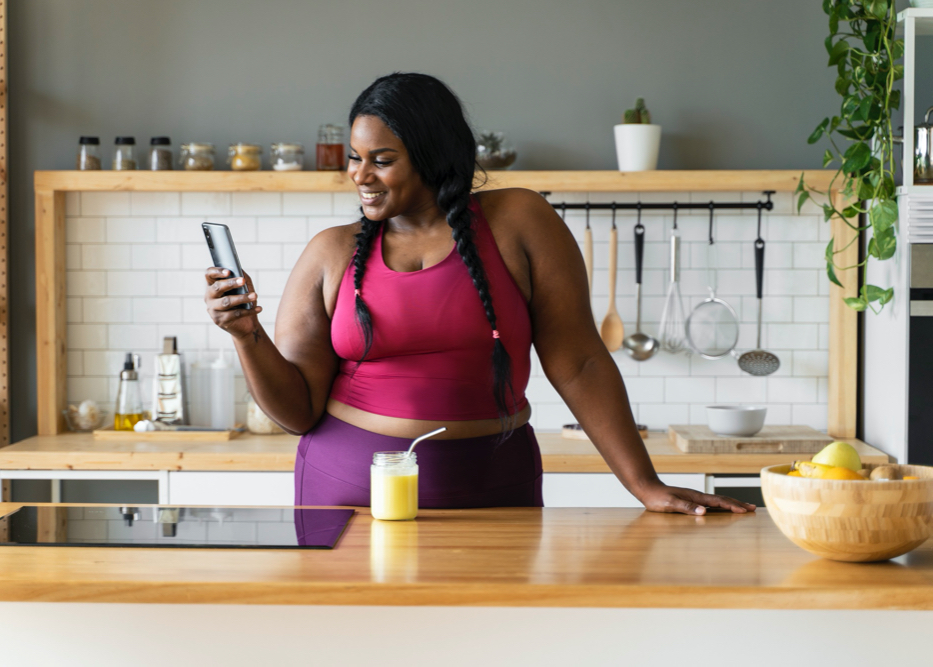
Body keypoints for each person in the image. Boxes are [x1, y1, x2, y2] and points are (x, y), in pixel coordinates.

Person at [205, 72, 754, 516]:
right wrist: (246, 336)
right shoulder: (330, 253)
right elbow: (296, 413)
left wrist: (643, 482)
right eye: (355, 156)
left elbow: (581, 362)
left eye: (382, 159)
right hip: (347, 494)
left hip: (494, 489)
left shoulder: (519, 220)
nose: (360, 175)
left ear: (433, 154)